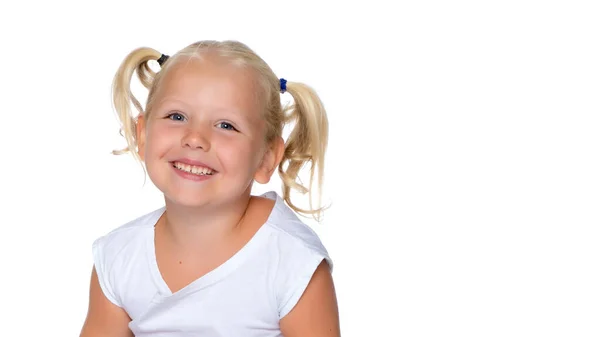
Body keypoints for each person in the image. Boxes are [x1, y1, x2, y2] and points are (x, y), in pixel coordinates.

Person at [79, 40, 340, 337]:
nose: (195, 138)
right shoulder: (117, 258)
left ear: (266, 158)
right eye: (176, 116)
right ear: (143, 134)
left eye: (226, 125)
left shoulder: (293, 262)